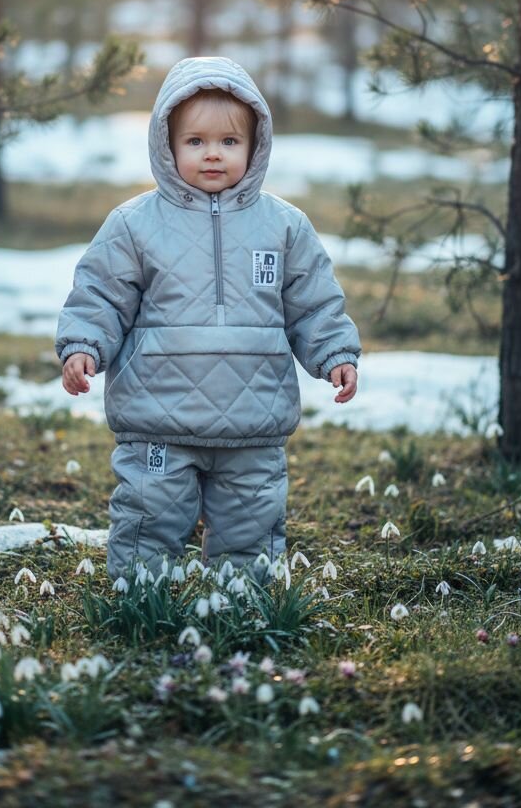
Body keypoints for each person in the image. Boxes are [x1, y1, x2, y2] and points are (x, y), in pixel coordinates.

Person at [55, 57, 360, 578]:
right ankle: (140, 604)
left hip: (253, 420)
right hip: (158, 415)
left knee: (251, 525)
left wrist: (333, 352)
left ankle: (242, 604)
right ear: (167, 145)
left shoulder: (284, 226)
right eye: (195, 141)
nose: (212, 153)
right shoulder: (134, 224)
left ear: (255, 146)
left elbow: (313, 300)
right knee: (149, 519)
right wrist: (83, 345)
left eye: (229, 142)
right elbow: (100, 293)